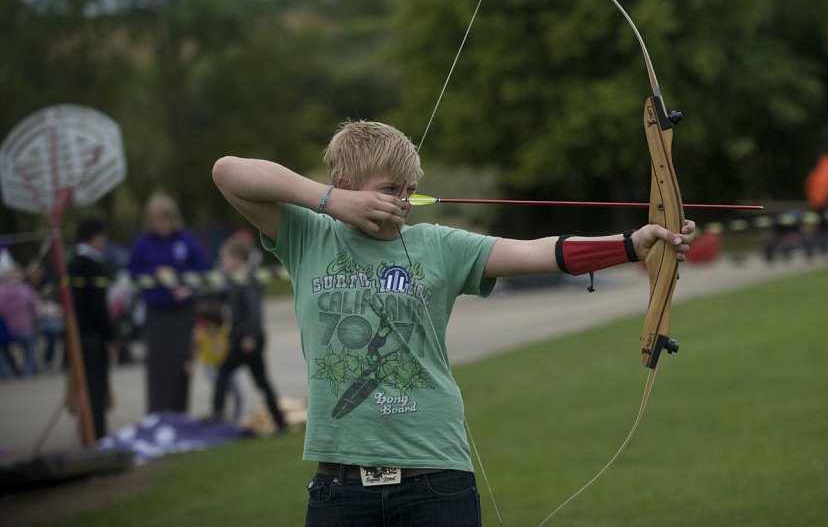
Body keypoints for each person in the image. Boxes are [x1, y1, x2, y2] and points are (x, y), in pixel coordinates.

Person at [211, 120, 696, 527]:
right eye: (388, 190)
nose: (401, 202)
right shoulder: (306, 235)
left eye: (409, 191)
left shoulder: (439, 245)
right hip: (340, 488)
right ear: (346, 185)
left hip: (434, 480)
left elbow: (538, 252)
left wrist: (633, 244)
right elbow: (227, 172)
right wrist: (328, 202)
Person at [128, 192, 212, 413]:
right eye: (157, 219)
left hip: (182, 312)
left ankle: (179, 415)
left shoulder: (185, 239)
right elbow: (133, 272)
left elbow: (204, 267)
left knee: (182, 364)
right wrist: (155, 274)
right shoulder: (143, 243)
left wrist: (186, 284)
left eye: (165, 218)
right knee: (158, 366)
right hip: (156, 313)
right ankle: (157, 415)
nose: (162, 223)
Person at [205, 233, 287, 433]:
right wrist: (190, 294)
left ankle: (217, 414)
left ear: (236, 259)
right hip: (245, 338)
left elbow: (254, 311)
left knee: (223, 372)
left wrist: (250, 336)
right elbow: (218, 294)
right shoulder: (236, 280)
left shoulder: (248, 280)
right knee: (261, 381)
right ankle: (280, 422)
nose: (223, 262)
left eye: (225, 258)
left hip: (248, 339)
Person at [67, 216, 116, 439]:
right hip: (94, 336)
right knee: (96, 388)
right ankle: (97, 433)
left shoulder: (71, 264)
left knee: (83, 388)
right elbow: (98, 307)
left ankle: (86, 433)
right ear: (93, 236)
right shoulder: (92, 265)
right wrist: (110, 335)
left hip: (76, 336)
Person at [194, 303, 244, 424]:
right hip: (210, 366)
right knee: (221, 390)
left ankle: (237, 418)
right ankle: (220, 416)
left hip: (226, 366)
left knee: (238, 393)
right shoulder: (201, 335)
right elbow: (195, 349)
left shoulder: (225, 331)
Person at [0, 261, 41, 377]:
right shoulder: (24, 289)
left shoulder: (1, 291)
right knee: (30, 343)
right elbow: (36, 308)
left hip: (4, 331)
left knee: (1, 348)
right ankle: (28, 369)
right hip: (24, 329)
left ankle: (6, 370)